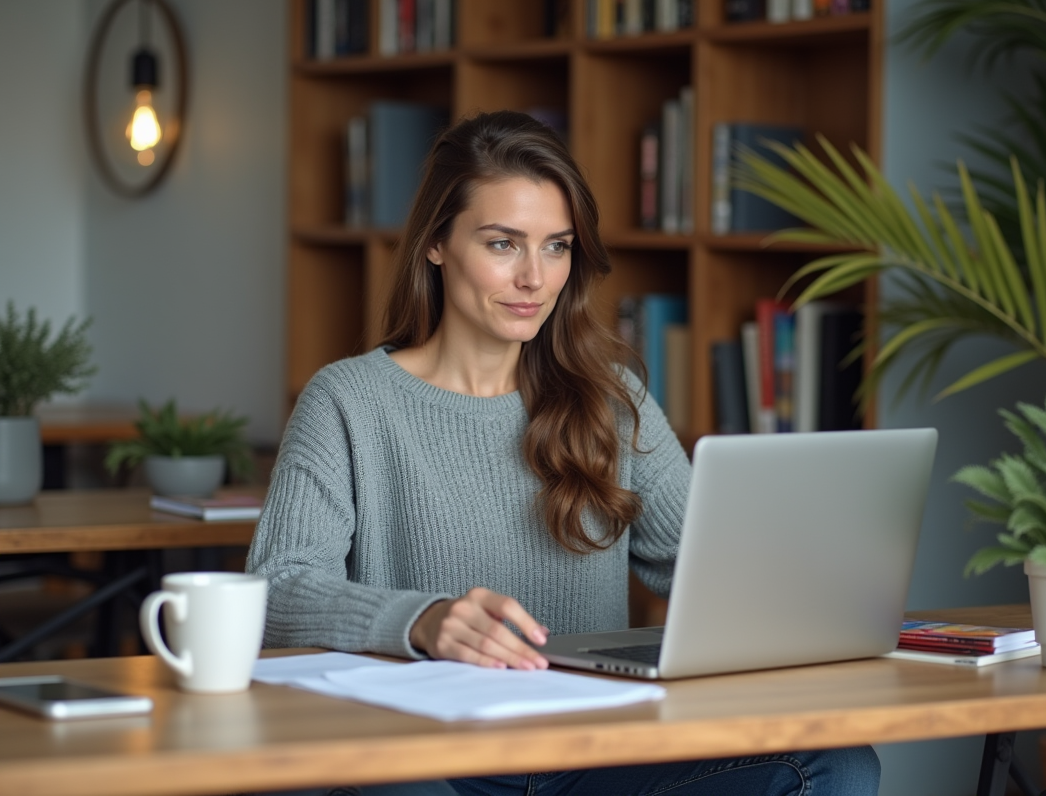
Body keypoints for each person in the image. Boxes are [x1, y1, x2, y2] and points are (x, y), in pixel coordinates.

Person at [246, 110, 881, 796]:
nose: (534, 278)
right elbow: (277, 588)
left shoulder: (611, 401)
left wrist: (816, 582)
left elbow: (707, 568)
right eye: (502, 244)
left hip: (593, 755)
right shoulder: (348, 401)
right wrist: (423, 620)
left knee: (836, 765)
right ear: (436, 244)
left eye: (556, 247)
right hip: (430, 757)